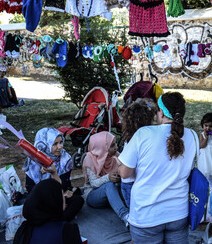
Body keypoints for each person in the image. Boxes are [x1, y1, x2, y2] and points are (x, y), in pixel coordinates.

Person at [118, 91, 198, 243]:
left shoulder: (143, 134)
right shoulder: (193, 135)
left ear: (161, 112)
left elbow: (124, 173)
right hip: (179, 213)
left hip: (147, 214)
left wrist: (118, 164)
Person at [24, 127, 84, 221]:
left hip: (59, 197)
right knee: (29, 207)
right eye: (55, 144)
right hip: (42, 198)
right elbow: (30, 188)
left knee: (78, 200)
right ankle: (59, 219)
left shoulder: (65, 159)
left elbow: (65, 184)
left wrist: (65, 191)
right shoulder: (34, 162)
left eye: (61, 142)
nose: (60, 147)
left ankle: (54, 220)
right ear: (44, 144)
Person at [13, 179, 84, 244]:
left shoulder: (23, 229)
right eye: (62, 195)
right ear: (54, 201)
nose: (64, 198)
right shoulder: (67, 230)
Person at [82, 131, 129, 226]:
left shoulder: (115, 156)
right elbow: (94, 183)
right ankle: (125, 216)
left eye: (115, 144)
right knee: (109, 185)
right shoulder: (90, 158)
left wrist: (119, 177)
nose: (116, 147)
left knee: (127, 183)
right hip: (93, 195)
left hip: (111, 193)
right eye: (112, 145)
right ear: (102, 148)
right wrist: (108, 177)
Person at [119, 98, 157, 207]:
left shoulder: (133, 138)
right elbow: (126, 174)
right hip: (131, 185)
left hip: (139, 183)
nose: (153, 123)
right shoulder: (132, 141)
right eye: (151, 120)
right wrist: (119, 166)